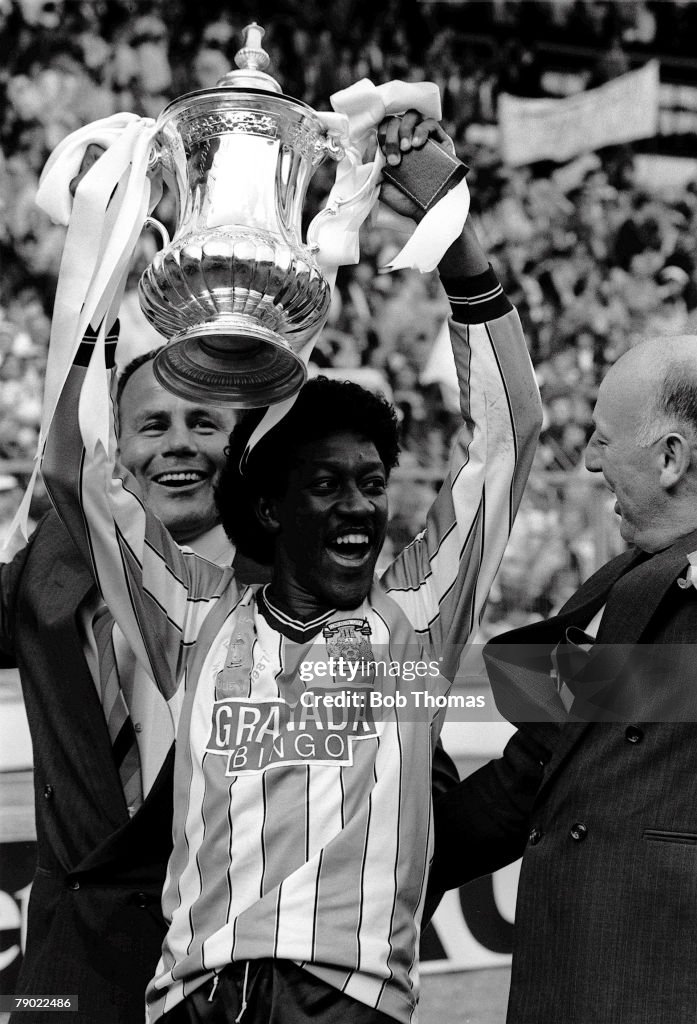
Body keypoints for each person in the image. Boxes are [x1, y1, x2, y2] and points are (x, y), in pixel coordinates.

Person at [41, 114, 542, 1024]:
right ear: (271, 507)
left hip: (344, 999)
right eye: (327, 484)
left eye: (372, 485)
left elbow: (505, 442)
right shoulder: (193, 620)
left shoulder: (414, 623)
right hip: (194, 999)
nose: (359, 507)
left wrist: (453, 238)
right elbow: (76, 472)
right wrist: (111, 260)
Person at [437, 334, 697, 1024]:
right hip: (570, 986)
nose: (587, 461)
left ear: (670, 457)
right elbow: (535, 769)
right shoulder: (615, 588)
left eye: (602, 439)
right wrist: (387, 856)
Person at [2, 346, 238, 1024]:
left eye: (203, 422)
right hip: (58, 983)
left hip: (228, 981)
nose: (178, 444)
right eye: (152, 424)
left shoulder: (298, 588)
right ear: (117, 447)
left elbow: (413, 792)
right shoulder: (56, 553)